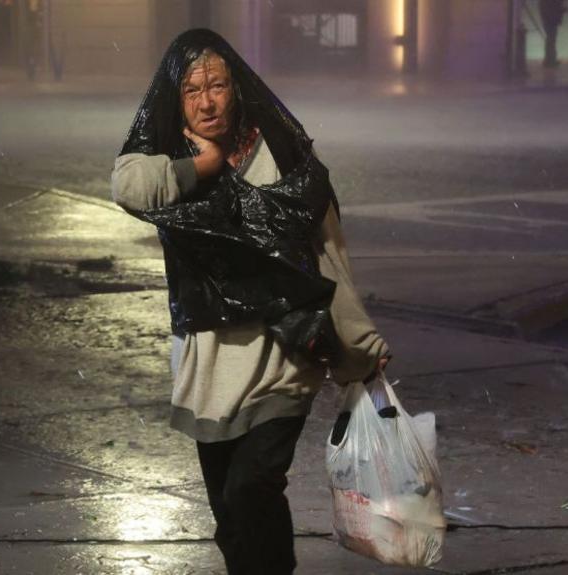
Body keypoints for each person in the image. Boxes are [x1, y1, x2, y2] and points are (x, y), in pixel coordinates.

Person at [110, 29, 389, 574]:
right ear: (176, 99)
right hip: (209, 367)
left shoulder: (278, 153)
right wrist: (202, 168)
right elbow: (127, 187)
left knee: (251, 488)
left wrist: (360, 346)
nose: (208, 100)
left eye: (217, 84)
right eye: (193, 90)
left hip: (282, 359)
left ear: (237, 87)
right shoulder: (171, 160)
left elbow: (327, 254)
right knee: (231, 518)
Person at [539, 0, 568, 69]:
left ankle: (550, 59)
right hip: (551, 20)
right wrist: (563, 10)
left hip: (549, 20)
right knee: (551, 40)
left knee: (550, 40)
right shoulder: (550, 2)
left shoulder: (545, 2)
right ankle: (550, 60)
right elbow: (554, 9)